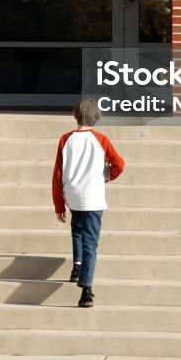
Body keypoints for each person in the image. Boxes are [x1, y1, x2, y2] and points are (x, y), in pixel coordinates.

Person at [51, 98, 125, 308]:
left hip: (73, 195)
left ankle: (77, 266)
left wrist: (58, 205)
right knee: (90, 242)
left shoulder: (66, 139)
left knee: (77, 229)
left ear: (75, 115)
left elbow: (57, 175)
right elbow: (119, 164)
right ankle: (86, 289)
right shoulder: (101, 140)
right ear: (96, 117)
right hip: (93, 197)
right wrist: (105, 176)